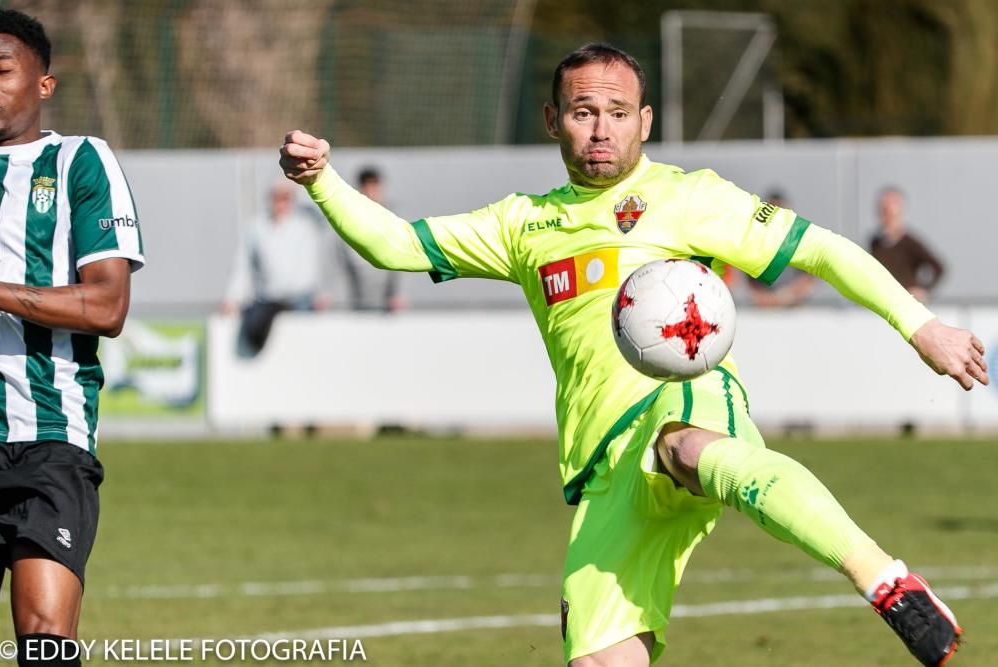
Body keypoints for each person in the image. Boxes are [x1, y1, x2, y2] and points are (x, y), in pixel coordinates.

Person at [280, 43, 988, 667]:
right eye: (584, 111)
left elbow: (821, 249)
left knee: (682, 449)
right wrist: (321, 181)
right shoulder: (524, 223)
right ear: (554, 120)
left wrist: (921, 327)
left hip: (685, 399)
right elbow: (395, 245)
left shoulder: (688, 198)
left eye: (619, 112)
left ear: (645, 122)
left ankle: (884, 577)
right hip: (601, 464)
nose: (601, 128)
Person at [0, 9, 143, 666]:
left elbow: (108, 303)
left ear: (43, 85)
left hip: (49, 439)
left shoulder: (80, 161)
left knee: (45, 643)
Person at [222, 179, 331, 354]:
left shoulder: (306, 222)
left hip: (303, 301)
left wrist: (302, 185)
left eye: (286, 198)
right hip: (268, 301)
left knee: (307, 347)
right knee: (254, 332)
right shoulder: (256, 227)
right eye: (277, 198)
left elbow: (325, 211)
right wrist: (232, 298)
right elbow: (243, 266)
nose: (281, 203)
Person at [334, 167, 406, 312]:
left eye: (375, 186)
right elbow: (342, 259)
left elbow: (403, 256)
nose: (371, 191)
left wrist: (397, 294)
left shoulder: (392, 219)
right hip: (357, 299)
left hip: (387, 301)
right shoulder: (350, 219)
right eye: (368, 186)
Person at [870, 186, 945, 303]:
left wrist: (923, 290)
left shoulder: (910, 242)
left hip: (907, 303)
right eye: (884, 212)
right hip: (884, 302)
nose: (888, 218)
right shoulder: (875, 242)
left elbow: (938, 267)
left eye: (891, 214)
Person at [746, 191, 816, 308]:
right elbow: (751, 283)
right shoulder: (755, 244)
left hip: (796, 308)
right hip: (766, 310)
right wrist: (765, 298)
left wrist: (786, 296)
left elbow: (808, 279)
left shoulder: (798, 241)